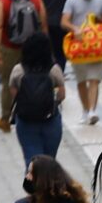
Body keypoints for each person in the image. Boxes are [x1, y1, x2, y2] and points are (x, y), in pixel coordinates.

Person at [61, 0, 102, 124]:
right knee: (81, 82)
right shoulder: (72, 1)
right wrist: (74, 29)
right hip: (79, 48)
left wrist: (98, 19)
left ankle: (92, 111)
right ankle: (85, 110)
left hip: (97, 47)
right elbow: (64, 21)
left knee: (94, 80)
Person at [7, 31, 69, 164]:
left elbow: (14, 95)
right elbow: (62, 95)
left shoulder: (18, 70)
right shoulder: (54, 69)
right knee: (49, 161)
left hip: (25, 121)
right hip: (50, 120)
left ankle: (32, 176)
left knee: (31, 160)